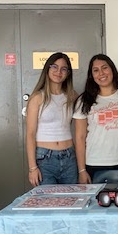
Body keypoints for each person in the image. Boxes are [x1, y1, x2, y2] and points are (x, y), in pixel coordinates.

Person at [73, 54, 118, 183]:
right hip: (94, 163)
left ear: (112, 69)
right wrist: (82, 170)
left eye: (105, 68)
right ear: (91, 76)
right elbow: (80, 137)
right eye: (96, 70)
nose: (101, 73)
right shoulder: (83, 101)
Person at [26, 52, 78, 186]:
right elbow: (30, 134)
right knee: (48, 198)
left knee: (73, 197)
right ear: (47, 69)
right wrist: (32, 168)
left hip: (69, 157)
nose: (58, 72)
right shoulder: (37, 98)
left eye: (63, 69)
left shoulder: (72, 96)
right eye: (54, 67)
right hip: (44, 158)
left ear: (68, 73)